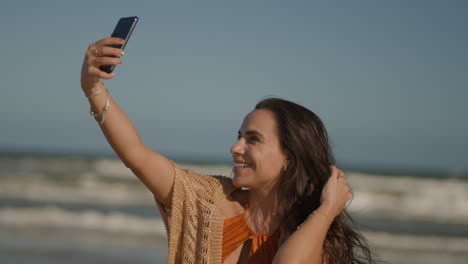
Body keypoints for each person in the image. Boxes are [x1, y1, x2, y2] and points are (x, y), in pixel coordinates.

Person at [81, 36, 375, 264]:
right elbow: (138, 156)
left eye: (253, 139)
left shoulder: (314, 234)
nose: (236, 148)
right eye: (239, 136)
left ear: (289, 157)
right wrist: (93, 88)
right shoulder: (209, 201)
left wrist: (326, 212)